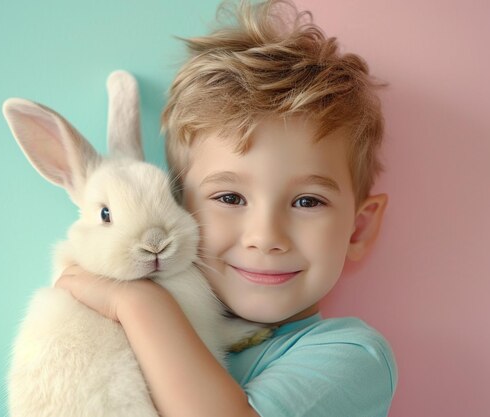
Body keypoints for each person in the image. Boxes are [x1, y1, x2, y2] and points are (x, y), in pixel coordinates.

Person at [55, 1, 397, 416]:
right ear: (178, 211)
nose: (266, 237)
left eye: (307, 201)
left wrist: (137, 305)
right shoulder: (114, 342)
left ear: (357, 230)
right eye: (230, 198)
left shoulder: (352, 357)